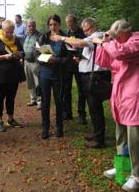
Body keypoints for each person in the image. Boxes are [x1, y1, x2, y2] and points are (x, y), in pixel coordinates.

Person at [93, 20, 139, 191]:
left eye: (119, 36)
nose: (117, 39)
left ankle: (136, 175)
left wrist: (107, 42)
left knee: (134, 138)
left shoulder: (135, 41)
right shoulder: (117, 43)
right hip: (120, 95)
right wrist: (104, 43)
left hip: (134, 95)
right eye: (116, 37)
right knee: (120, 133)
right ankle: (122, 167)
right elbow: (104, 61)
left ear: (127, 32)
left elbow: (119, 53)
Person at [52, 17, 111, 148]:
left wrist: (61, 38)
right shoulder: (93, 36)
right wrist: (81, 59)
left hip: (95, 76)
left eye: (87, 30)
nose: (85, 33)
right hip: (92, 74)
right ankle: (97, 133)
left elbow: (80, 43)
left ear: (93, 26)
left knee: (95, 107)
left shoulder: (97, 36)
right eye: (84, 31)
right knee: (93, 106)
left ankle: (99, 139)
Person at [0, 20, 25, 132]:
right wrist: (4, 57)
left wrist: (19, 54)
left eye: (11, 32)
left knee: (11, 96)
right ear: (2, 30)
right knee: (0, 96)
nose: (9, 34)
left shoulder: (16, 39)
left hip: (14, 73)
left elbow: (22, 52)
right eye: (7, 32)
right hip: (0, 74)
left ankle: (10, 119)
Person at [37, 14, 69, 139]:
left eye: (55, 24)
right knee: (45, 103)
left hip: (59, 75)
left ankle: (59, 128)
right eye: (50, 24)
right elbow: (36, 54)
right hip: (44, 74)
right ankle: (45, 129)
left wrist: (57, 60)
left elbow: (69, 58)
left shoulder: (65, 38)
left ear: (59, 25)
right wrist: (44, 60)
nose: (53, 27)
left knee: (59, 102)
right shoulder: (43, 37)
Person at [63, 14, 87, 124]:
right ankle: (68, 113)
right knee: (66, 90)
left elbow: (86, 47)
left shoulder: (82, 33)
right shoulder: (67, 34)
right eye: (68, 25)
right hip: (68, 65)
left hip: (80, 65)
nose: (70, 27)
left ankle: (82, 114)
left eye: (71, 25)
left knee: (81, 90)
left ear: (75, 23)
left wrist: (79, 55)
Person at [23, 19, 41, 109]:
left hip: (35, 63)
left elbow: (41, 49)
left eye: (33, 25)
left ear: (35, 26)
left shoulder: (39, 36)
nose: (31, 27)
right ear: (26, 27)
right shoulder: (26, 35)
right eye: (29, 26)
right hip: (26, 62)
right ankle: (33, 99)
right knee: (30, 82)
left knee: (38, 83)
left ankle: (40, 101)